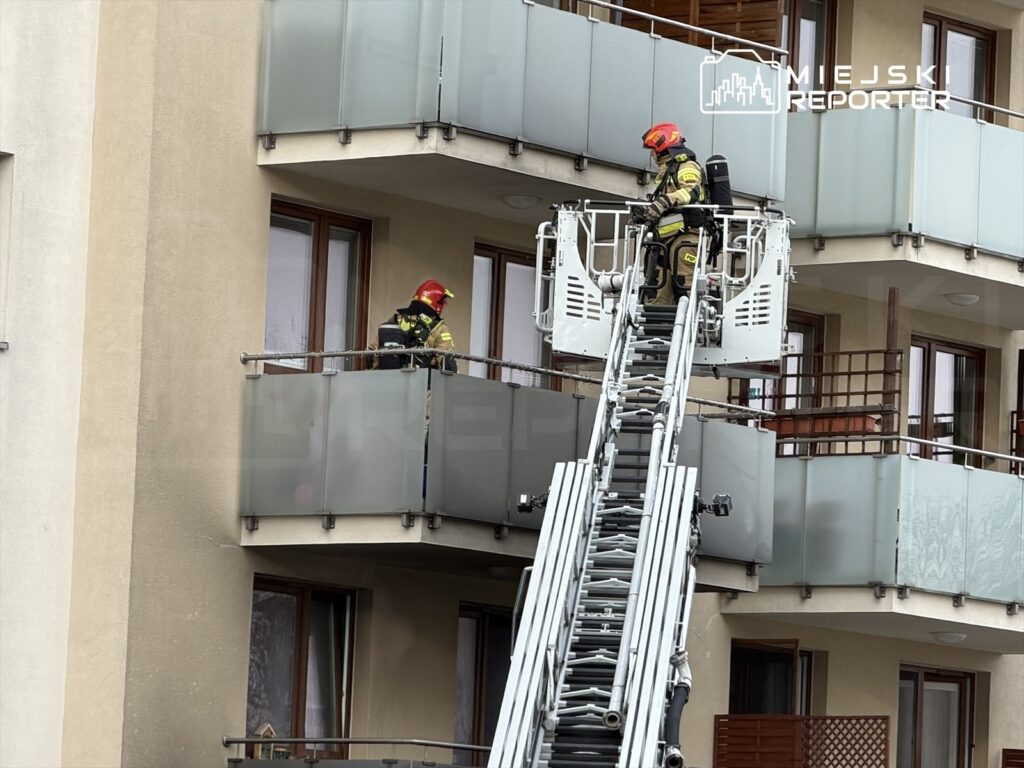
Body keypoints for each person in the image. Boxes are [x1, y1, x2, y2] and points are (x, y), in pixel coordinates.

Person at [640, 122, 708, 304]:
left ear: (662, 147)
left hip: (686, 236)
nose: (652, 154)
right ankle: (654, 317)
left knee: (684, 286)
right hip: (666, 238)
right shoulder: (668, 171)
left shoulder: (686, 166)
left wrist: (664, 202)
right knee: (657, 292)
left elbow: (693, 191)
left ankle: (690, 316)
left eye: (653, 150)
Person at [371, 280, 457, 372]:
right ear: (437, 304)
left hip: (388, 378)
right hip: (421, 379)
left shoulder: (394, 321)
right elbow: (447, 363)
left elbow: (371, 356)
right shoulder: (439, 328)